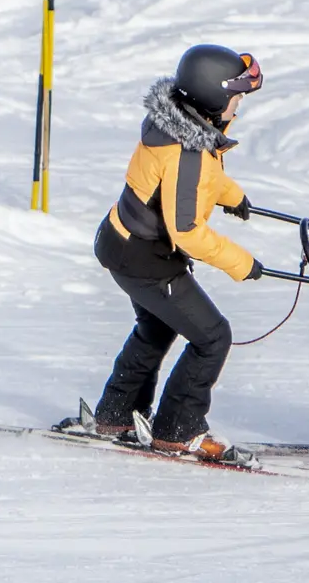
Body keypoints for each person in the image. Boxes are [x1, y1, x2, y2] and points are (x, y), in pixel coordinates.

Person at [89, 44, 269, 461]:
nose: (239, 107)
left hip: (122, 242)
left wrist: (232, 195)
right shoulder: (188, 149)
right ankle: (178, 429)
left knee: (156, 328)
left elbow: (197, 180)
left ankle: (117, 413)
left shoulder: (178, 127)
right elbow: (186, 230)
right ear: (213, 97)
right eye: (237, 98)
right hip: (146, 258)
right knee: (212, 336)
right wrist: (241, 263)